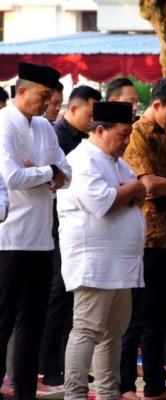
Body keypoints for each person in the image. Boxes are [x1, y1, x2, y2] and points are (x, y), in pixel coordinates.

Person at [58, 101, 145, 400]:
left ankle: (108, 394)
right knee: (86, 330)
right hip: (93, 262)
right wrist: (129, 191)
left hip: (121, 264)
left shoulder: (118, 163)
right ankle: (75, 394)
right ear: (100, 130)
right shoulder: (83, 159)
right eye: (122, 134)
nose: (126, 141)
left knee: (113, 333)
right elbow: (103, 203)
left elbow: (139, 190)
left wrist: (130, 190)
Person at [0, 62, 70, 400]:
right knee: (4, 320)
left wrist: (44, 172)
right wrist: (49, 173)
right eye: (43, 97)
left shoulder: (44, 127)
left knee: (33, 321)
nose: (47, 104)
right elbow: (12, 177)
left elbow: (66, 172)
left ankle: (25, 391)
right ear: (22, 91)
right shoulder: (3, 123)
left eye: (52, 98)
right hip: (9, 237)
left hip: (42, 238)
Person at [120, 77, 166, 400]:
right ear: (158, 105)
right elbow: (148, 185)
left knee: (160, 318)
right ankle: (124, 386)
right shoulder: (136, 136)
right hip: (144, 238)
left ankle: (154, 385)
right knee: (137, 319)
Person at [38, 84, 101, 387]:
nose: (93, 120)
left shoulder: (86, 140)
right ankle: (49, 365)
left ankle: (69, 364)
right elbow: (59, 178)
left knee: (74, 297)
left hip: (80, 229)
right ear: (72, 109)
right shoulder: (56, 136)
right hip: (55, 226)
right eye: (90, 113)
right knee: (58, 296)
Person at [55, 85, 102, 155]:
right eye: (91, 115)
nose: (93, 120)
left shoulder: (88, 136)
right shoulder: (56, 137)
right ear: (73, 110)